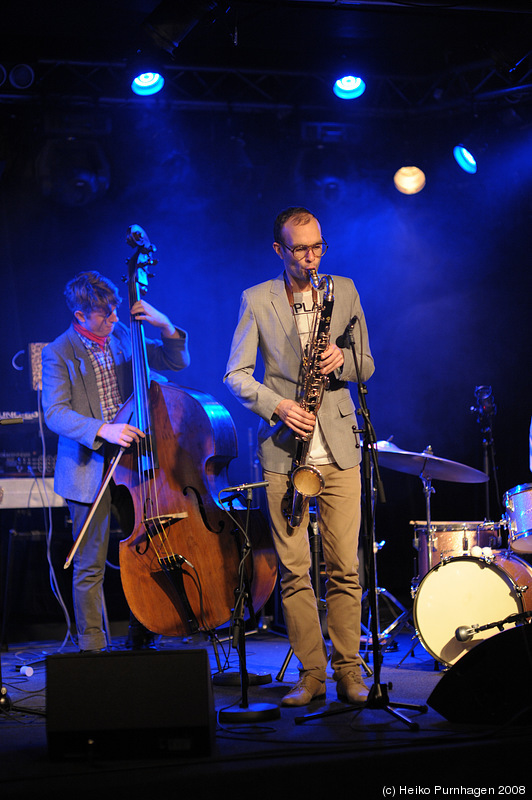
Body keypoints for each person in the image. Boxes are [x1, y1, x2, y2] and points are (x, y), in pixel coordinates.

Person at [224, 206, 375, 707]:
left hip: (339, 449)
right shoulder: (255, 299)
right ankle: (312, 676)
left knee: (345, 568)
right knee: (294, 570)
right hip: (285, 450)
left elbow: (367, 364)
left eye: (318, 247)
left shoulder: (345, 290)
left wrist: (344, 361)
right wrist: (279, 406)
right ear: (279, 250)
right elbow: (236, 375)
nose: (312, 258)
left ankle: (350, 673)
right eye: (301, 249)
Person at [42, 269, 190, 652]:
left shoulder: (124, 334)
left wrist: (166, 325)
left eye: (114, 311)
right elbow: (55, 413)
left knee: (143, 550)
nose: (113, 319)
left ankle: (145, 631)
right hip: (88, 468)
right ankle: (92, 643)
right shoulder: (58, 351)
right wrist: (102, 430)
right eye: (104, 314)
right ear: (80, 316)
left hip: (134, 462)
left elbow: (175, 363)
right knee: (89, 563)